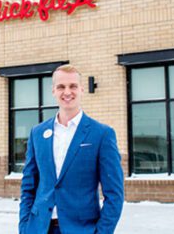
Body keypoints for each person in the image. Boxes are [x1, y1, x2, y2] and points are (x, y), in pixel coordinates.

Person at [19, 64, 124, 234]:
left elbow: (115, 194)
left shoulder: (101, 134)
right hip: (38, 228)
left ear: (81, 89)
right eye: (61, 87)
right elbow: (28, 187)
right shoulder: (37, 133)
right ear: (53, 91)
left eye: (73, 86)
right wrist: (24, 227)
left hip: (81, 229)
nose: (67, 92)